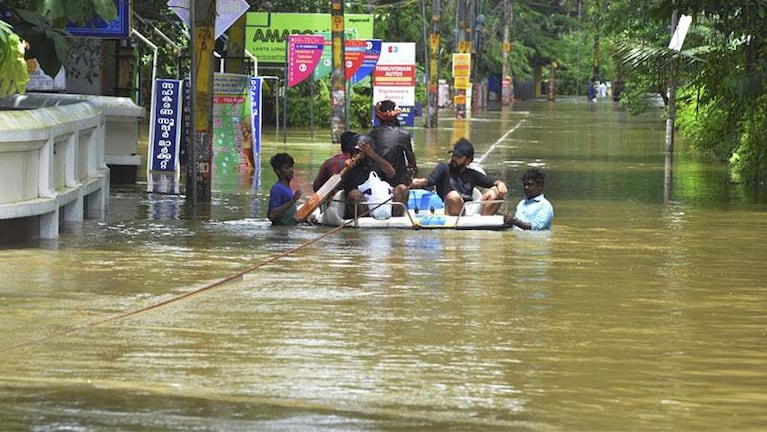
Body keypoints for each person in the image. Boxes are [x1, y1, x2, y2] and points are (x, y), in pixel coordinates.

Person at [411, 138, 507, 216]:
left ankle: (484, 224)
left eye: (458, 157)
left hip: (469, 209)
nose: (454, 158)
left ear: (468, 160)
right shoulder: (443, 168)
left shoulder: (472, 174)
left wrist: (500, 184)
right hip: (450, 207)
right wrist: (420, 182)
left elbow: (490, 181)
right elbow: (430, 180)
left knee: (495, 192)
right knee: (454, 196)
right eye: (454, 155)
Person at [368, 100, 417, 216]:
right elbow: (412, 162)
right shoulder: (403, 135)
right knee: (403, 187)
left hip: (375, 183)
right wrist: (413, 175)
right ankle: (397, 216)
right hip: (396, 183)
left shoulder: (372, 134)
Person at [341, 134, 396, 218]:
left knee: (402, 189)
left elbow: (391, 172)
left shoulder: (377, 163)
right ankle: (365, 224)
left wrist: (372, 154)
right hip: (361, 207)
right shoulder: (349, 166)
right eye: (355, 151)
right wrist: (346, 169)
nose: (358, 154)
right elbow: (337, 185)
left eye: (360, 152)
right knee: (354, 194)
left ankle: (396, 221)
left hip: (380, 203)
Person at [267, 152, 302, 225]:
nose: (291, 170)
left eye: (292, 167)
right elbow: (271, 215)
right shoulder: (277, 189)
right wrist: (293, 200)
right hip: (280, 232)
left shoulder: (287, 188)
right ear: (278, 171)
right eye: (287, 168)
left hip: (287, 230)